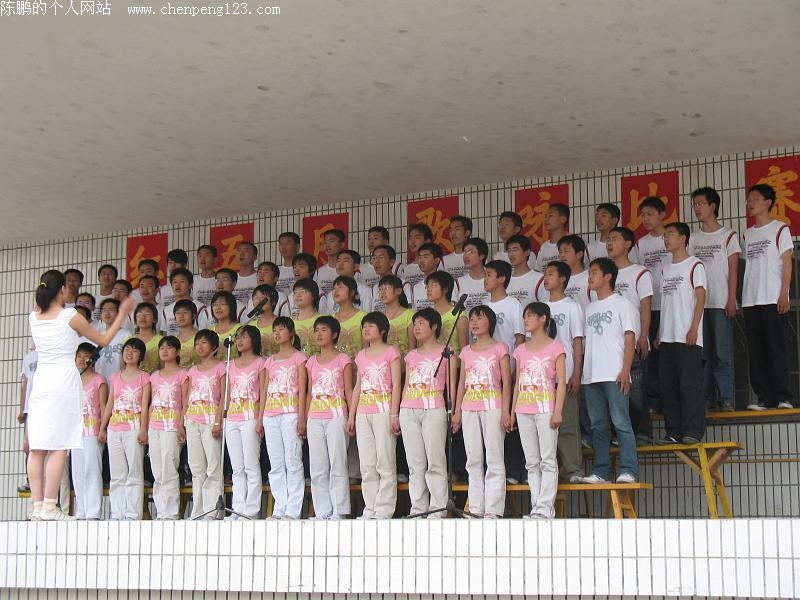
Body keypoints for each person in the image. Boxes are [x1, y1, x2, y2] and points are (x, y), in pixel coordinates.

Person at [579, 258, 639, 484]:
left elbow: (630, 339)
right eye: (589, 272)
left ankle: (628, 469)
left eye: (594, 272)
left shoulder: (623, 304)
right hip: (591, 375)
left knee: (621, 422)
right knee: (597, 426)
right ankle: (601, 471)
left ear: (608, 277)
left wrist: (626, 370)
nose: (590, 276)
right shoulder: (589, 308)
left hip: (614, 373)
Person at [452, 306, 511, 518]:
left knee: (494, 457)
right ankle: (475, 508)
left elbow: (507, 381)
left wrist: (506, 411)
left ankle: (494, 509)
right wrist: (457, 412)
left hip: (493, 406)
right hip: (469, 407)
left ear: (490, 322)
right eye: (472, 319)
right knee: (473, 459)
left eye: (480, 318)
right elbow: (461, 383)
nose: (474, 322)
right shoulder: (466, 351)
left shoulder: (500, 348)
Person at [399, 308, 457, 518]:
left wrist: (453, 412)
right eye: (415, 324)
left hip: (433, 407)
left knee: (435, 461)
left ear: (434, 327)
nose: (416, 328)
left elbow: (451, 384)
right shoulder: (411, 355)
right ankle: (418, 508)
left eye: (421, 323)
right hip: (409, 408)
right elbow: (407, 384)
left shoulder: (447, 351)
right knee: (415, 463)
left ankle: (437, 509)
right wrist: (400, 410)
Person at [742, 183, 795, 410]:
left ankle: (783, 396)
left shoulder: (780, 229)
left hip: (773, 297)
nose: (750, 203)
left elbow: (787, 263)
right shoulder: (747, 234)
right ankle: (764, 397)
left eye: (755, 199)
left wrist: (784, 294)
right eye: (749, 200)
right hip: (751, 299)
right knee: (757, 351)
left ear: (768, 202)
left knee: (776, 347)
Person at [688, 187, 741, 412]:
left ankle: (727, 398)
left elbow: (733, 270)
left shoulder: (728, 235)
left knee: (722, 353)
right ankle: (707, 398)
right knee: (704, 354)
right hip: (699, 305)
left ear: (713, 206)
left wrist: (732, 298)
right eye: (695, 204)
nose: (697, 208)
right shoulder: (692, 238)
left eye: (701, 203)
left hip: (720, 301)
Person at [512, 302, 566, 518]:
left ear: (543, 318)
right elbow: (517, 383)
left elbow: (561, 382)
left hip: (545, 408)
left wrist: (558, 410)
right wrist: (513, 411)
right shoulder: (520, 350)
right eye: (525, 316)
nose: (526, 320)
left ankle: (546, 507)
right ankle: (536, 506)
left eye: (530, 316)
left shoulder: (556, 347)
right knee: (531, 461)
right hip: (523, 408)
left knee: (548, 459)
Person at [657, 222, 707, 444]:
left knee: (689, 384)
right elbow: (666, 303)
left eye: (671, 234)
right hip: (667, 336)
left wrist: (694, 327)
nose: (666, 239)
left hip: (686, 334)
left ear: (683, 238)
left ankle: (692, 430)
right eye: (665, 235)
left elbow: (701, 297)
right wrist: (659, 332)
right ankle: (673, 431)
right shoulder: (665, 268)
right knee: (669, 385)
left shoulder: (695, 265)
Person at [349, 312, 402, 519]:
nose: (366, 329)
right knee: (367, 463)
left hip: (383, 410)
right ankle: (370, 508)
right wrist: (352, 415)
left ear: (383, 330)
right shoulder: (361, 355)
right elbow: (357, 387)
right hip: (363, 412)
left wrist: (394, 414)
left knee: (385, 460)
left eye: (371, 326)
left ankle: (384, 509)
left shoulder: (391, 352)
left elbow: (396, 384)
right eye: (364, 326)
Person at [606, 227, 654, 443]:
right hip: (611, 344)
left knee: (636, 391)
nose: (609, 243)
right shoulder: (604, 274)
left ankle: (642, 432)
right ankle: (619, 434)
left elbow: (645, 306)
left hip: (632, 341)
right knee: (615, 391)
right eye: (608, 239)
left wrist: (643, 335)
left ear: (627, 244)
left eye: (615, 239)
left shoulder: (640, 272)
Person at [303, 316, 353, 520]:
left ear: (334, 334)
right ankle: (322, 510)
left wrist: (352, 417)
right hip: (314, 416)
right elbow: (309, 392)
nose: (319, 334)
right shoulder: (311, 361)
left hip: (336, 415)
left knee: (337, 463)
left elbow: (348, 389)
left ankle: (339, 511)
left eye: (323, 330)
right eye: (316, 330)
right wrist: (304, 418)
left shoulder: (343, 359)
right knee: (317, 467)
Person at [258, 317, 307, 520]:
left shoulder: (299, 357)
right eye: (275, 330)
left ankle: (293, 509)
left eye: (281, 329)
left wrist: (302, 417)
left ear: (292, 333)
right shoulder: (269, 361)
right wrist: (260, 418)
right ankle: (280, 507)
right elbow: (264, 390)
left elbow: (303, 389)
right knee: (276, 463)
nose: (277, 333)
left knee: (292, 460)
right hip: (271, 415)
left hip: (290, 413)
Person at [98, 338, 151, 520]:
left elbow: (145, 407)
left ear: (141, 356)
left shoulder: (144, 377)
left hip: (133, 428)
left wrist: (143, 430)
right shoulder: (115, 377)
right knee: (117, 474)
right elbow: (109, 404)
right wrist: (103, 427)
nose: (130, 353)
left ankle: (132, 513)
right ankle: (117, 513)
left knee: (134, 472)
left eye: (135, 350)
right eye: (127, 349)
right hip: (114, 428)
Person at [543, 261, 585, 483]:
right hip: (542, 377)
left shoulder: (572, 307)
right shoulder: (540, 307)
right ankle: (545, 471)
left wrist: (576, 373)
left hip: (565, 374)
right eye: (545, 274)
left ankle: (573, 470)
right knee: (542, 425)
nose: (546, 278)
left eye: (551, 274)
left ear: (562, 279)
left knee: (567, 423)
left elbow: (577, 342)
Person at [183, 329, 227, 518]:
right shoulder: (192, 370)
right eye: (197, 343)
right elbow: (187, 398)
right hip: (192, 420)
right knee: (197, 467)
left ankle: (212, 510)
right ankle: (198, 511)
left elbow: (224, 396)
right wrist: (182, 422)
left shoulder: (221, 367)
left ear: (214, 346)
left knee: (213, 466)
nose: (199, 346)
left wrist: (218, 421)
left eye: (204, 342)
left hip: (210, 420)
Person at [635, 196, 671, 414]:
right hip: (649, 307)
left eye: (650, 214)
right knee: (650, 357)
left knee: (667, 357)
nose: (646, 219)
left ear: (662, 215)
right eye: (643, 215)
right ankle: (652, 401)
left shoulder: (672, 237)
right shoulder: (641, 243)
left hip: (670, 306)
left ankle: (668, 401)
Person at [225, 325, 265, 520]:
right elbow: (227, 393)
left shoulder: (261, 363)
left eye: (244, 337)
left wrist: (261, 419)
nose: (239, 341)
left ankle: (251, 511)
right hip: (232, 418)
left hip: (250, 416)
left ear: (254, 340)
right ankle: (238, 508)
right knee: (237, 468)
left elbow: (264, 392)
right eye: (238, 337)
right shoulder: (230, 364)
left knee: (251, 465)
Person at [148, 336, 189, 520]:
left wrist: (181, 425)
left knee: (169, 468)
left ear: (178, 352)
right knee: (157, 470)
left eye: (169, 347)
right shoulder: (154, 376)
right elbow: (152, 403)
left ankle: (171, 512)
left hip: (172, 425)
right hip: (154, 425)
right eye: (162, 347)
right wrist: (146, 428)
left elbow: (185, 402)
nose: (164, 350)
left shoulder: (183, 374)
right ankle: (161, 511)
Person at [71, 343, 108, 520]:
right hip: (76, 433)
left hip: (93, 430)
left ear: (92, 359)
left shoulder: (99, 380)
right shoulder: (73, 381)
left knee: (92, 469)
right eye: (79, 355)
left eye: (86, 355)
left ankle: (93, 511)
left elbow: (103, 406)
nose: (81, 359)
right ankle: (81, 511)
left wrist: (103, 429)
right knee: (77, 472)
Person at [483, 260, 525, 358]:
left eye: (489, 275)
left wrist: (517, 363)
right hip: (487, 361)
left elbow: (519, 337)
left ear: (501, 279)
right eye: (484, 275)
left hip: (508, 361)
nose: (485, 279)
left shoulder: (513, 304)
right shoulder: (484, 306)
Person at [426, 271, 468, 353]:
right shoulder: (426, 315)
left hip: (453, 360)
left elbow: (464, 350)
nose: (429, 289)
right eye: (427, 286)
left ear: (445, 289)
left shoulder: (459, 315)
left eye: (434, 285)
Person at [159, 268, 211, 335]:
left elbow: (204, 333)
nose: (177, 285)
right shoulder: (166, 310)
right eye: (174, 282)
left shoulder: (200, 308)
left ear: (190, 285)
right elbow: (165, 334)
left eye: (182, 281)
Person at [93, 298, 133, 380]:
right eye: (104, 310)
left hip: (119, 381)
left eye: (111, 310)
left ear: (119, 314)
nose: (107, 313)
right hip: (99, 382)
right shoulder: (96, 336)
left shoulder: (127, 335)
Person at [377, 275, 416, 357]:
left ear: (398, 291)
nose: (382, 292)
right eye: (380, 289)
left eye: (387, 288)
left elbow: (412, 348)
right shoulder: (378, 317)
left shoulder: (409, 315)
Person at [331, 276, 368, 360]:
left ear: (352, 292)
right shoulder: (330, 319)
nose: (336, 291)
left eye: (340, 287)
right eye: (334, 288)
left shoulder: (363, 317)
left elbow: (367, 348)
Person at [505, 234, 547, 307]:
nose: (511, 254)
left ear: (527, 252)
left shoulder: (539, 279)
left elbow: (545, 307)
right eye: (509, 250)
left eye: (515, 250)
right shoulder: (504, 280)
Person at [558, 235, 591, 311]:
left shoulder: (590, 277)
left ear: (579, 254)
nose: (562, 255)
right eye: (560, 252)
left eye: (566, 251)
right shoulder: (558, 279)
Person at [457, 238, 491, 310]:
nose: (466, 256)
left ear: (481, 255)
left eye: (470, 252)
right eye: (464, 252)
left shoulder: (494, 279)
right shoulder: (458, 282)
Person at [292, 278, 324, 356]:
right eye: (295, 292)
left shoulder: (323, 320)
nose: (298, 295)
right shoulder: (289, 322)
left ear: (313, 296)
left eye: (303, 291)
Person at [534, 204, 569, 271]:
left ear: (563, 219)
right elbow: (538, 271)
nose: (546, 219)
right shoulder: (544, 247)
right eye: (545, 216)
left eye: (551, 216)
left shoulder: (573, 242)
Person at [410, 243, 445, 311]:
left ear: (436, 260)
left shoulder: (445, 283)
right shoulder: (415, 288)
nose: (421, 261)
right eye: (420, 257)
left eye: (425, 257)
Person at [249, 284, 281, 357]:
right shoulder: (250, 325)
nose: (258, 301)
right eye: (255, 298)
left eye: (262, 298)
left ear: (273, 302)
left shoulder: (281, 323)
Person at [131, 302, 163, 374]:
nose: (143, 317)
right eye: (139, 314)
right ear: (135, 320)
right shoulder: (129, 340)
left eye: (147, 314)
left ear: (154, 319)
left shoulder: (161, 341)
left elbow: (164, 367)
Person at [209, 291, 243, 357]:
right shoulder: (209, 332)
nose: (218, 307)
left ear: (231, 306)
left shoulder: (240, 330)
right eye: (215, 304)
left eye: (222, 304)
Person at [369, 245, 402, 312]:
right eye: (374, 258)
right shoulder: (374, 288)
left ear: (391, 262)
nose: (377, 261)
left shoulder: (403, 284)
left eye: (381, 258)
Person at [315, 229, 347, 296]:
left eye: (331, 241)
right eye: (325, 242)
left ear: (342, 245)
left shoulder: (349, 271)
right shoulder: (319, 271)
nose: (327, 245)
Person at [402, 223, 434, 287]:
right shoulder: (405, 270)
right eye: (410, 238)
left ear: (427, 241)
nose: (412, 241)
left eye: (416, 237)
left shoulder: (436, 265)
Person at [441, 215, 472, 280]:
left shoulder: (477, 257)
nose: (453, 233)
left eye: (457, 229)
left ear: (467, 233)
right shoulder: (444, 260)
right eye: (451, 230)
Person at [173, 299, 200, 368]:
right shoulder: (174, 339)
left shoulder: (200, 337)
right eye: (178, 313)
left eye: (185, 312)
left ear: (193, 316)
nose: (181, 316)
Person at [277, 232, 301, 296]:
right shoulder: (275, 271)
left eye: (287, 244)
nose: (283, 247)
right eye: (281, 244)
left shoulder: (305, 270)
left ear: (297, 247)